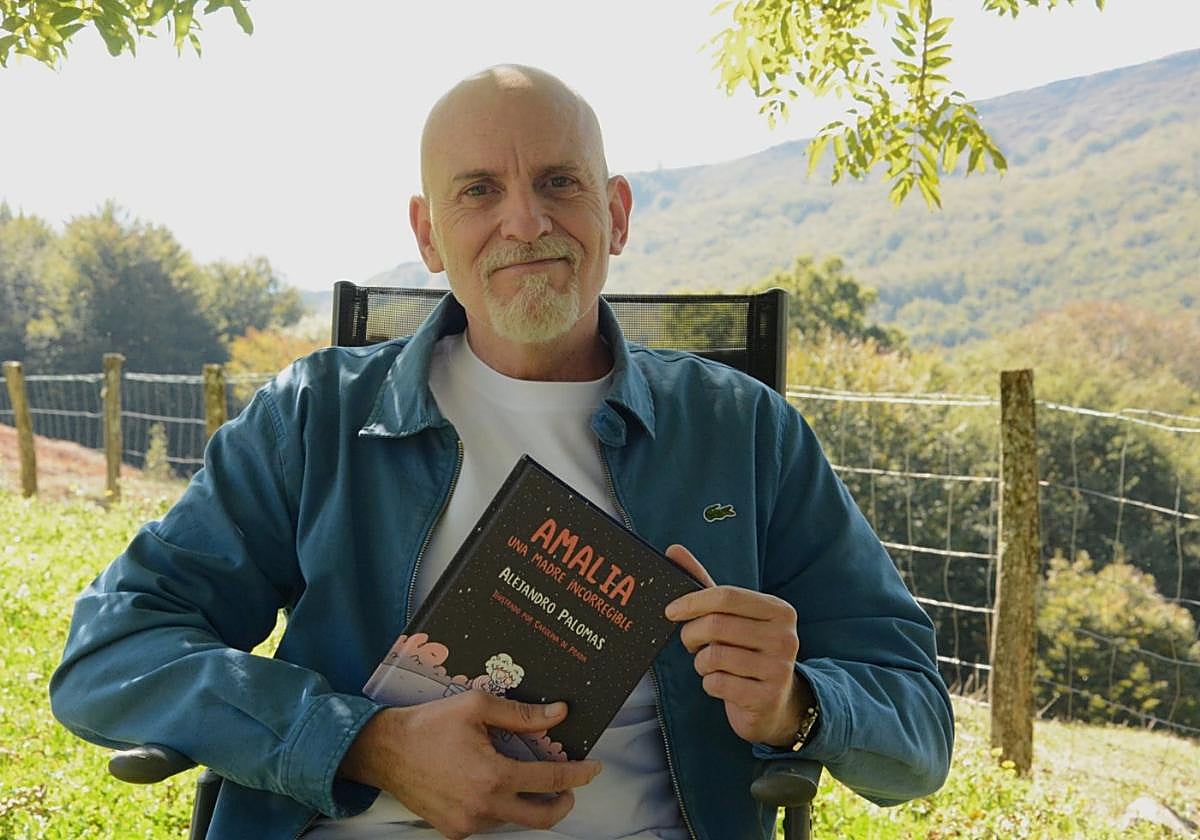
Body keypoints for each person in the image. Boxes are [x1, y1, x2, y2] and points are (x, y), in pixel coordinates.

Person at [50, 65, 953, 840]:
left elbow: (918, 724)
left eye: (560, 182)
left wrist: (797, 703)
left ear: (617, 211)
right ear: (427, 235)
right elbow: (111, 653)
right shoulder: (315, 416)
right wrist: (363, 744)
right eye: (478, 189)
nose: (525, 222)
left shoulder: (741, 429)